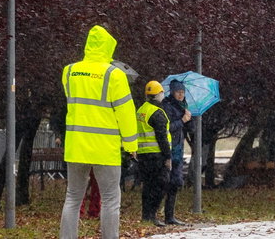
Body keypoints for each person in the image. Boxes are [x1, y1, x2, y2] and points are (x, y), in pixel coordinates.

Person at [59, 25, 138, 239]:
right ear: (108, 47)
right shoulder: (115, 75)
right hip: (105, 148)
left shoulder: (70, 71)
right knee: (111, 199)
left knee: (73, 198)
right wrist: (131, 145)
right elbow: (126, 113)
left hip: (76, 146)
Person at [137, 81, 173, 226]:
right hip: (156, 155)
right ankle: (152, 215)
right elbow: (162, 137)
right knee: (160, 185)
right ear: (158, 94)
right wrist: (168, 157)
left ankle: (146, 215)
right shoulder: (157, 113)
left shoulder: (141, 110)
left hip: (143, 155)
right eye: (162, 93)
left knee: (147, 186)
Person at [161, 79, 193, 225]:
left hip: (178, 150)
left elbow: (188, 129)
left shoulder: (182, 107)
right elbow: (167, 128)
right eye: (178, 92)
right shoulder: (167, 107)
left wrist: (188, 118)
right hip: (169, 150)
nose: (181, 95)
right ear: (172, 92)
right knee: (165, 183)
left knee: (176, 182)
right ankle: (159, 215)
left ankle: (170, 216)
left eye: (182, 92)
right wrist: (183, 120)